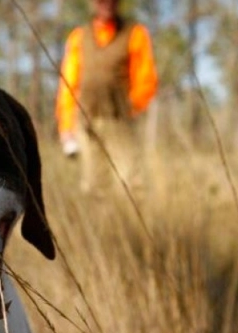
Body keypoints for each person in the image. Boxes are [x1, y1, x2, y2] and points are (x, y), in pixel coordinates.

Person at [55, 0, 158, 195]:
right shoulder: (78, 37)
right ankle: (101, 225)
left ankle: (132, 224)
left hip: (120, 123)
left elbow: (146, 80)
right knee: (93, 187)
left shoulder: (134, 33)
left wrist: (130, 108)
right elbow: (68, 85)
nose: (106, 4)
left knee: (132, 185)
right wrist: (66, 126)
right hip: (86, 123)